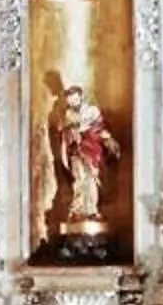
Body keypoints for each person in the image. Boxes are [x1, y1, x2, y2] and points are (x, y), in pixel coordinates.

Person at [46, 82, 118, 225]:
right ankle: (77, 210)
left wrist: (106, 139)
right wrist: (70, 133)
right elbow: (65, 132)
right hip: (76, 151)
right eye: (69, 98)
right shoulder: (68, 114)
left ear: (80, 96)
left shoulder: (92, 111)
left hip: (91, 150)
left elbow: (99, 128)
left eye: (74, 97)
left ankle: (91, 209)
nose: (71, 101)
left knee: (91, 179)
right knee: (79, 179)